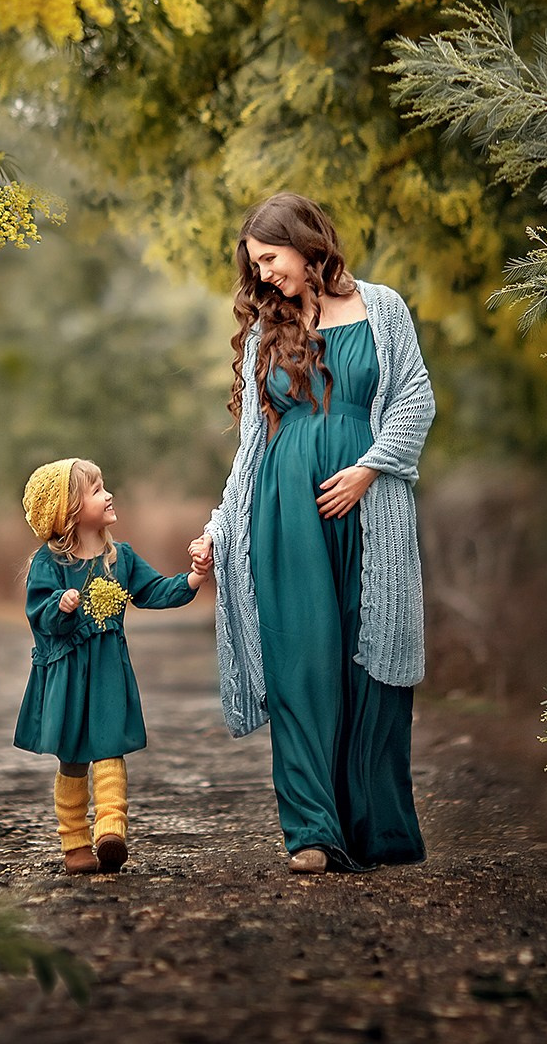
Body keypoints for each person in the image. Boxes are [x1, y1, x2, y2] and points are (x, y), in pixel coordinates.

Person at [190, 192, 435, 875]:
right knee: (302, 662)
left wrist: (371, 469)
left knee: (372, 665)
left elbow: (415, 397)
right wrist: (217, 528)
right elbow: (248, 450)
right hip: (284, 512)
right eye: (256, 266)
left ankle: (376, 828)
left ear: (305, 243)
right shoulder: (269, 328)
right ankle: (311, 833)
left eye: (271, 258)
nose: (265, 275)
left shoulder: (382, 308)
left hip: (370, 509)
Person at [15, 457, 210, 875]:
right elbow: (40, 616)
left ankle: (110, 832)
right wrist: (60, 605)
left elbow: (154, 590)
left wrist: (192, 579)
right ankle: (74, 844)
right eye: (97, 490)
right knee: (71, 757)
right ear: (68, 510)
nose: (109, 495)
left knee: (109, 748)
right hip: (68, 675)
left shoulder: (119, 557)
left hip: (107, 672)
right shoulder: (49, 564)